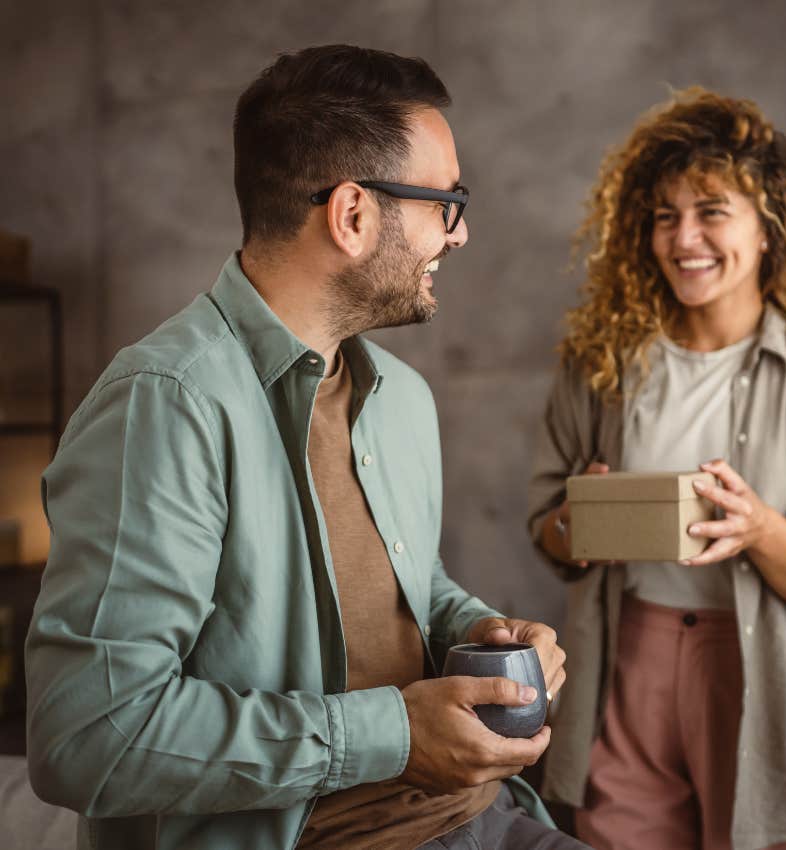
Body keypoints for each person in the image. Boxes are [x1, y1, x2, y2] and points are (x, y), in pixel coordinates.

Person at [25, 45, 587, 850]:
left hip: (482, 814)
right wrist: (392, 733)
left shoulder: (401, 399)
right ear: (352, 215)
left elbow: (404, 582)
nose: (458, 236)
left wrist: (483, 630)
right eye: (446, 203)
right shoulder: (164, 405)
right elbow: (87, 735)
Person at [527, 87, 786, 850]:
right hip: (627, 661)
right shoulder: (599, 367)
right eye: (665, 215)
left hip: (764, 669)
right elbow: (546, 532)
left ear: (768, 228)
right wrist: (575, 527)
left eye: (711, 211)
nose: (684, 238)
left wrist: (762, 530)